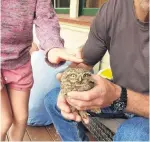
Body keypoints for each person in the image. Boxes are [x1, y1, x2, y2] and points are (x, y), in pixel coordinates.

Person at [44, 0, 149, 141]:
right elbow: (84, 63)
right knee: (53, 99)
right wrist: (68, 84)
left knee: (133, 134)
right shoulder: (112, 9)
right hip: (119, 98)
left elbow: (118, 96)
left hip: (135, 104)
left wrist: (119, 96)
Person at [1, 0, 82, 141]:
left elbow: (45, 19)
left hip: (20, 61)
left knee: (21, 118)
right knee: (4, 120)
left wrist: (53, 47)